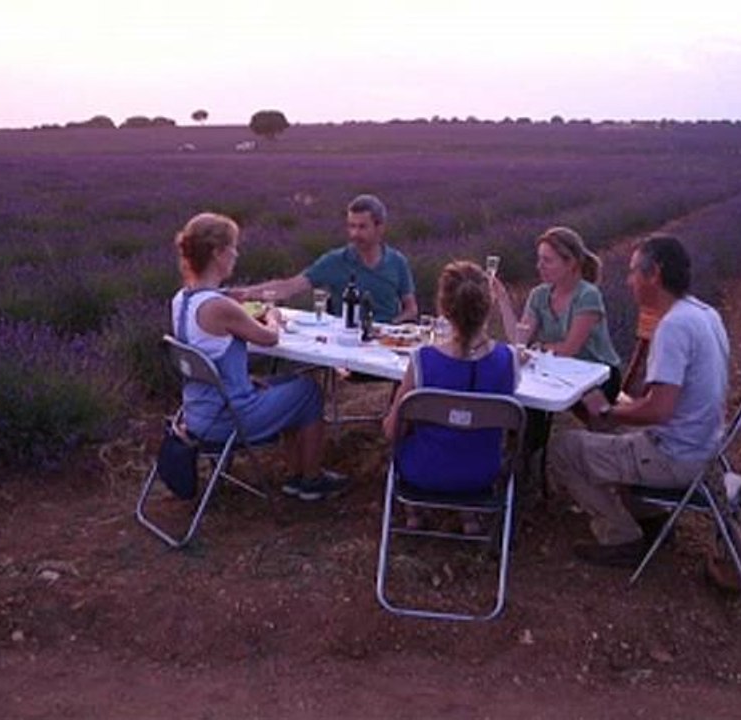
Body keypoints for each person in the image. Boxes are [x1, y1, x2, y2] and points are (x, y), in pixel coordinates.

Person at [549, 234, 730, 567]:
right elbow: (666, 402)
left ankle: (620, 536)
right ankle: (652, 519)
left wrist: (608, 412)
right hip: (704, 451)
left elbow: (659, 409)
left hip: (674, 458)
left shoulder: (673, 327)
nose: (629, 281)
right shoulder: (706, 315)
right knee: (609, 436)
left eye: (634, 272)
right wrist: (616, 414)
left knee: (562, 449)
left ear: (655, 274)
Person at [171, 212, 347, 501]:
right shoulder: (218, 307)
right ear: (217, 253)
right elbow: (270, 338)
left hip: (198, 412)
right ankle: (311, 480)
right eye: (232, 247)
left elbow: (210, 353)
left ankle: (295, 476)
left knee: (287, 382)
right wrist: (274, 315)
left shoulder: (182, 299)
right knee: (309, 391)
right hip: (229, 418)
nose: (236, 254)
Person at [383, 261, 521, 533]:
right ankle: (468, 515)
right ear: (488, 308)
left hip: (423, 471)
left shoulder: (423, 360)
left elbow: (392, 432)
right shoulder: (509, 360)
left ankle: (414, 515)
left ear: (443, 308)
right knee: (469, 431)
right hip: (482, 473)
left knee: (410, 428)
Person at [491, 226, 621, 456]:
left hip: (597, 372)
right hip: (554, 370)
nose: (539, 266)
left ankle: (600, 455)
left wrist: (541, 347)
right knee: (526, 396)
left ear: (570, 263)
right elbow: (519, 339)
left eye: (547, 261)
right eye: (539, 259)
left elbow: (570, 349)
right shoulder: (539, 294)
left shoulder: (587, 295)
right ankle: (522, 461)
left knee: (593, 402)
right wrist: (502, 299)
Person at [236, 194, 418, 323]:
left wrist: (391, 327)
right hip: (346, 343)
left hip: (386, 345)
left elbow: (411, 309)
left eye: (362, 227)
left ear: (380, 228)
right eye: (351, 226)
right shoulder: (335, 261)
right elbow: (289, 286)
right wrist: (244, 293)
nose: (355, 234)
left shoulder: (397, 262)